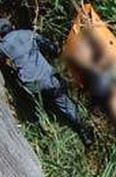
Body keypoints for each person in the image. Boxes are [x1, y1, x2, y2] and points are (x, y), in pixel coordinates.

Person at [0, 18, 94, 146]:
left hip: (31, 87)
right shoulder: (28, 34)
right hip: (49, 80)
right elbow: (50, 47)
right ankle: (84, 132)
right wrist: (56, 52)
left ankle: (49, 112)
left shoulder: (3, 47)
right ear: (13, 26)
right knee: (64, 101)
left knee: (43, 97)